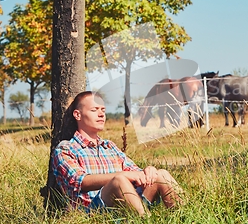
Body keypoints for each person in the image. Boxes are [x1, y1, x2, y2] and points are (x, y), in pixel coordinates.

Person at [52, 91, 183, 216]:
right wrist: (123, 175)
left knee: (161, 175)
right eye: (94, 110)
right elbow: (80, 181)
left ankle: (184, 220)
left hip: (127, 204)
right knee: (118, 180)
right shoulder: (66, 149)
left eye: (103, 110)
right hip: (93, 212)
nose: (101, 114)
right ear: (77, 115)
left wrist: (148, 171)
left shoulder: (109, 146)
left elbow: (135, 172)